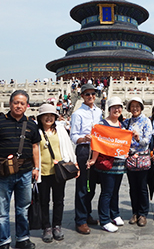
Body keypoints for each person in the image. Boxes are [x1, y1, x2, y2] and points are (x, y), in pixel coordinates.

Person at [0, 90, 41, 249]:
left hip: (26, 172)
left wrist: (36, 167)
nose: (19, 106)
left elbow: (35, 147)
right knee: (2, 211)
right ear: (10, 103)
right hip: (3, 173)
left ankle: (22, 238)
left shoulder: (31, 124)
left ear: (27, 105)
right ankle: (4, 242)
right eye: (16, 102)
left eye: (22, 103)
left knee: (23, 209)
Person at [36, 104, 79, 243]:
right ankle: (46, 227)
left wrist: (74, 163)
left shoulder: (60, 130)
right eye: (45, 115)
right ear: (40, 117)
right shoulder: (36, 131)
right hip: (43, 171)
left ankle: (57, 225)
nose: (48, 118)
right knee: (43, 201)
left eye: (51, 115)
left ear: (55, 117)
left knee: (59, 200)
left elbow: (68, 147)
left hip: (59, 171)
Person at [87, 97, 127, 233]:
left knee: (115, 191)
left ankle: (114, 214)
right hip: (107, 164)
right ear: (109, 109)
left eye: (119, 107)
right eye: (114, 107)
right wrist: (93, 159)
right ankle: (104, 219)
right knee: (107, 192)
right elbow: (97, 144)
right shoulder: (102, 124)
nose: (117, 110)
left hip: (120, 163)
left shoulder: (123, 126)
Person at [70, 83, 103, 234]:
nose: (91, 97)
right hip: (84, 150)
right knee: (83, 185)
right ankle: (80, 220)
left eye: (93, 94)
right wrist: (83, 138)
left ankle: (88, 213)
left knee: (92, 185)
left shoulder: (99, 112)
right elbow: (73, 135)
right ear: (82, 96)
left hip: (98, 150)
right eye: (87, 94)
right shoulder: (78, 114)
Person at [124, 97, 153, 227]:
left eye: (137, 106)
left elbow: (147, 140)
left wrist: (138, 138)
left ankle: (143, 213)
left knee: (142, 187)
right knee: (132, 187)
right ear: (129, 108)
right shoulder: (126, 122)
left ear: (141, 108)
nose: (135, 108)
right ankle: (135, 212)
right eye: (132, 106)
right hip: (130, 158)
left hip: (142, 158)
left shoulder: (146, 121)